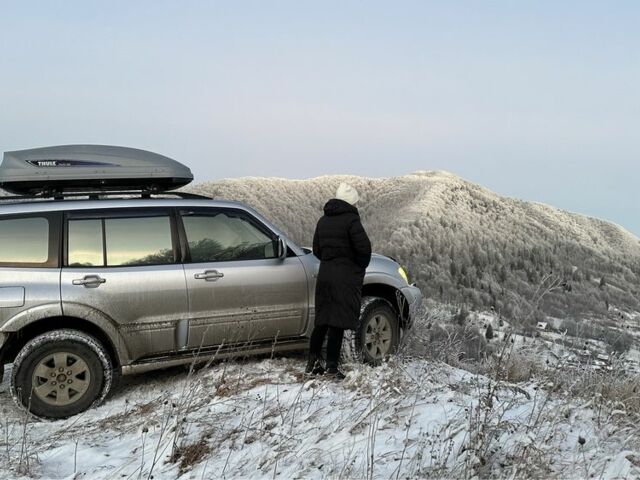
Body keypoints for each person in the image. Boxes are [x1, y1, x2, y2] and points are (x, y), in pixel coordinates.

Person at [306, 182, 372, 380]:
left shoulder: (323, 221)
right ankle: (332, 368)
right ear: (351, 202)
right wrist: (357, 268)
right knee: (337, 321)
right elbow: (364, 251)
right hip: (344, 277)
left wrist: (330, 261)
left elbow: (317, 249)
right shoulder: (352, 221)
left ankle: (312, 363)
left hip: (325, 275)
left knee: (323, 320)